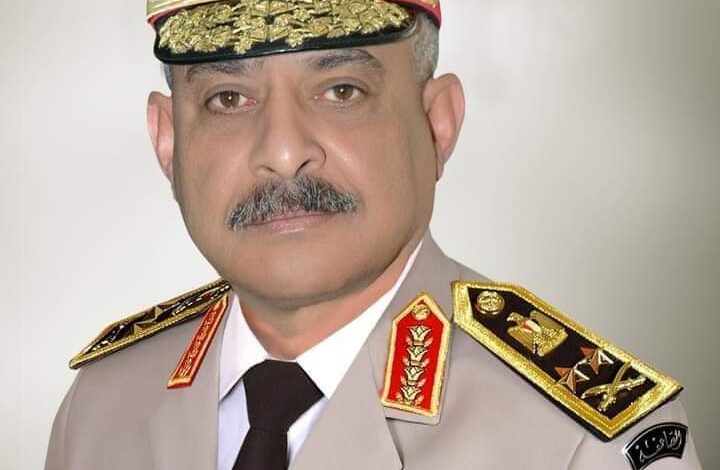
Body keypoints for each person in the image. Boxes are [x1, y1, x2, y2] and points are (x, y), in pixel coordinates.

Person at [45, 1, 703, 469]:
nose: (283, 152)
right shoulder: (101, 407)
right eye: (228, 99)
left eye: (341, 91)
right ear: (167, 142)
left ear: (438, 124)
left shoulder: (581, 442)